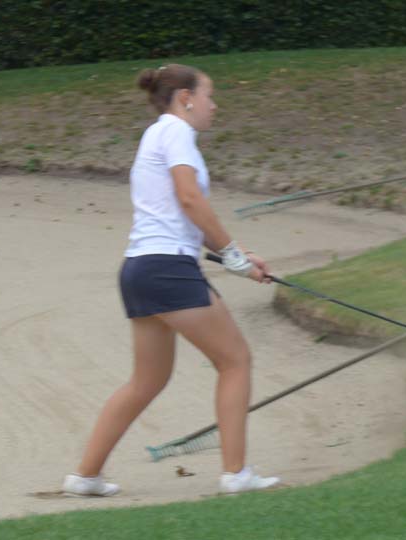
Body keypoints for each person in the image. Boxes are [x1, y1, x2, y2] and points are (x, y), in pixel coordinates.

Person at [62, 64, 280, 496]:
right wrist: (234, 256)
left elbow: (180, 217)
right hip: (167, 270)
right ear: (185, 97)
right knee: (235, 361)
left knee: (147, 380)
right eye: (209, 95)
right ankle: (237, 474)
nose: (214, 106)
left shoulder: (156, 134)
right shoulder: (177, 133)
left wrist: (237, 254)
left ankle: (84, 477)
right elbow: (188, 198)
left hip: (140, 271)